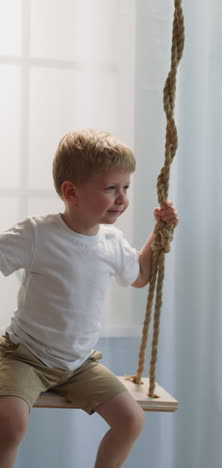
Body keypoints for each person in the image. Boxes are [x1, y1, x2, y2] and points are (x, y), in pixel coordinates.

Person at [0, 128, 179, 468]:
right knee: (9, 423)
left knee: (131, 420)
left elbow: (140, 276)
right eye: (111, 188)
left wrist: (159, 234)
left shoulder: (111, 242)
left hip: (78, 363)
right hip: (26, 357)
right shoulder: (38, 234)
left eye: (125, 187)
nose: (122, 198)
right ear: (71, 192)